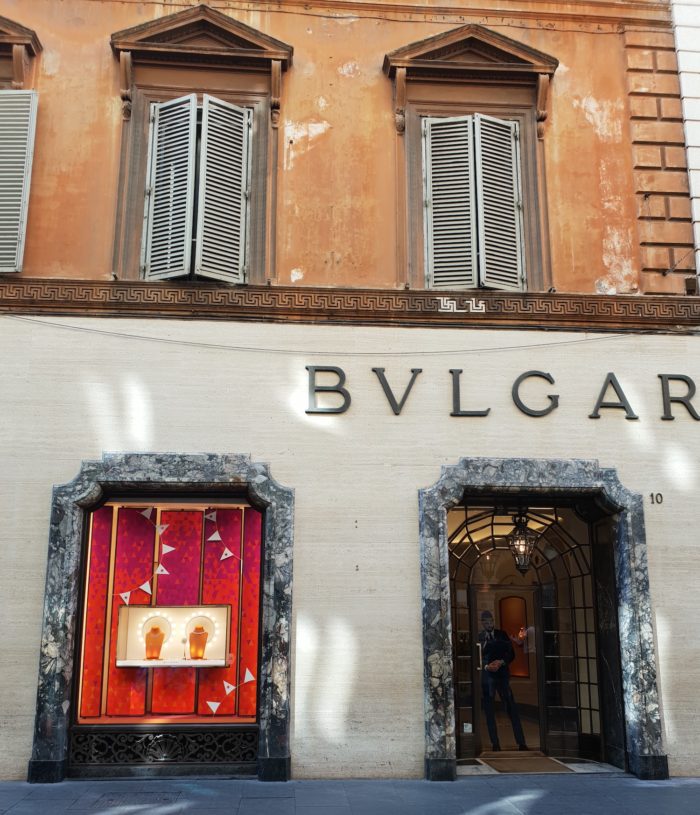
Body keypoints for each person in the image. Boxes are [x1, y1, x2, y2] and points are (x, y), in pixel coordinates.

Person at [478, 609, 528, 752]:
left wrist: (501, 662)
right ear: (482, 623)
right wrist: (486, 666)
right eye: (486, 622)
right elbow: (476, 657)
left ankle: (521, 742)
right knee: (489, 711)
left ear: (493, 621)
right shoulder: (479, 637)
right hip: (487, 678)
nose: (489, 624)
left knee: (511, 707)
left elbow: (511, 654)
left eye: (491, 621)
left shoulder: (502, 634)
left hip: (502, 677)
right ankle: (495, 744)